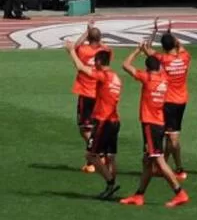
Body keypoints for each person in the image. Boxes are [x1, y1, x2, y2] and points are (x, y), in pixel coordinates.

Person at [118, 44, 190, 208]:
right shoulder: (164, 78)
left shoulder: (147, 78)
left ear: (147, 68)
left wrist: (137, 50)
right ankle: (139, 195)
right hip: (159, 121)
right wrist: (148, 52)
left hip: (150, 124)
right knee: (147, 161)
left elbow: (125, 65)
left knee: (158, 160)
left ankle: (179, 192)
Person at [64, 38, 122, 200]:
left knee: (91, 156)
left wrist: (71, 52)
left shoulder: (104, 77)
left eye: (95, 60)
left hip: (104, 121)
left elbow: (81, 68)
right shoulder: (116, 77)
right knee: (110, 156)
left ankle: (110, 183)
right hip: (115, 120)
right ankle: (111, 186)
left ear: (98, 61)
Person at [142, 20, 190, 180]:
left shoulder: (163, 59)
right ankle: (170, 166)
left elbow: (146, 48)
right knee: (173, 135)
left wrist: (155, 32)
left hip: (168, 101)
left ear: (163, 47)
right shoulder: (185, 57)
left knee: (171, 137)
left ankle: (177, 168)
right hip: (182, 100)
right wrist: (171, 34)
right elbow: (180, 45)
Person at [67, 22, 115, 174]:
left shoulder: (83, 50)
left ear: (88, 38)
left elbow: (74, 47)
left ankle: (97, 152)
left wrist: (85, 33)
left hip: (86, 93)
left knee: (84, 129)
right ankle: (90, 162)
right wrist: (94, 36)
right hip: (100, 94)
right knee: (95, 127)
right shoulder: (105, 52)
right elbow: (105, 46)